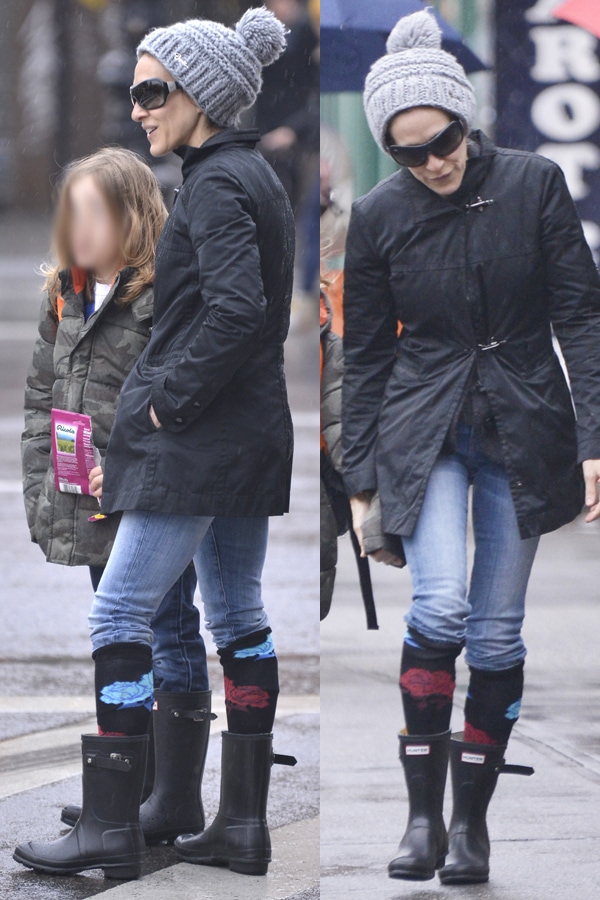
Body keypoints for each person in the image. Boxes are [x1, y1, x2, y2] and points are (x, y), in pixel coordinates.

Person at [14, 7, 296, 881]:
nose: (138, 109)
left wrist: (164, 406)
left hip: (201, 442)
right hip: (247, 437)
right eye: (136, 91)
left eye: (151, 90)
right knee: (240, 617)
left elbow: (240, 313)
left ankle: (111, 828)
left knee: (118, 614)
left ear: (200, 94)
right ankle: (229, 823)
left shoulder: (214, 185)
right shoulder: (253, 176)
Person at [342, 9, 600, 887]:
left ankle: (471, 828)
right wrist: (359, 478)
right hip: (427, 431)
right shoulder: (379, 216)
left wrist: (596, 440)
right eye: (410, 152)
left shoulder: (534, 183)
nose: (433, 162)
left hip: (524, 428)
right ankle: (419, 817)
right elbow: (366, 354)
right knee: (442, 609)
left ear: (464, 118)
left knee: (495, 636)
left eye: (443, 141)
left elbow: (582, 318)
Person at [20, 147, 217, 844]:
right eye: (71, 213)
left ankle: (173, 796)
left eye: (95, 214)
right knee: (122, 623)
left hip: (149, 491)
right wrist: (44, 479)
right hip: (88, 494)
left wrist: (137, 467)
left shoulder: (162, 297)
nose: (80, 228)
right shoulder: (66, 292)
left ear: (134, 217)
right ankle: (133, 788)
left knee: (166, 624)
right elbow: (43, 396)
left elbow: (180, 399)